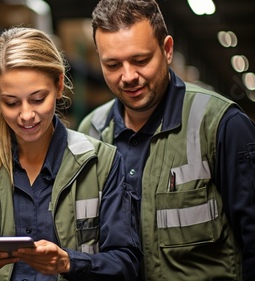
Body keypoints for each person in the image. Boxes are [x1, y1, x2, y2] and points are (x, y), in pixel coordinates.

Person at [0, 27, 141, 281]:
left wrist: (69, 262)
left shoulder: (101, 164)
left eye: (37, 99)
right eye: (11, 102)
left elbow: (126, 263)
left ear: (58, 85)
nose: (26, 115)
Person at [77, 0, 255, 280]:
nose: (128, 76)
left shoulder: (221, 124)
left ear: (167, 50)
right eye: (112, 64)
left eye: (140, 60)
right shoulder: (91, 133)